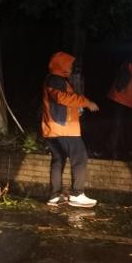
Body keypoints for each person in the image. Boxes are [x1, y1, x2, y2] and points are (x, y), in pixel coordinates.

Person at [42, 51, 99, 208]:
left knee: (58, 160)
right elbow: (61, 98)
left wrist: (77, 109)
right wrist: (86, 102)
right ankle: (77, 194)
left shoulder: (52, 79)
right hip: (64, 128)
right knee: (80, 158)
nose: (71, 68)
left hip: (53, 128)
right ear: (62, 65)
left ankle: (54, 196)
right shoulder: (56, 79)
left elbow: (61, 103)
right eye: (69, 65)